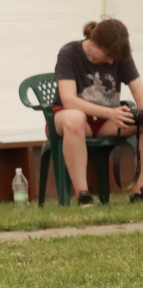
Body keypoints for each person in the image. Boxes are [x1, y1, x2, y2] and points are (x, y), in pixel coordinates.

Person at [53, 18, 143, 206]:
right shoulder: (69, 53)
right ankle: (83, 194)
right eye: (107, 56)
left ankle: (139, 191)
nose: (111, 61)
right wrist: (109, 113)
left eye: (114, 58)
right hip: (70, 118)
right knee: (75, 119)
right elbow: (68, 100)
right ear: (94, 44)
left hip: (107, 121)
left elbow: (139, 92)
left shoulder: (119, 54)